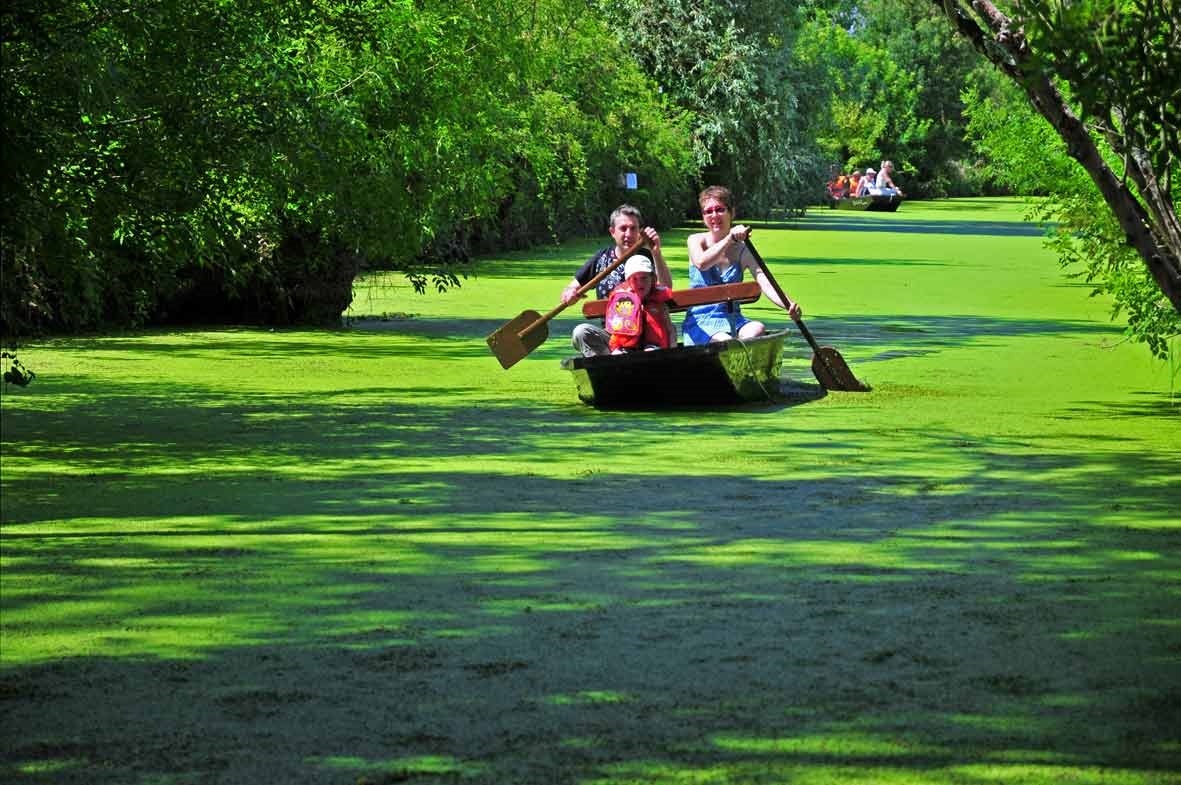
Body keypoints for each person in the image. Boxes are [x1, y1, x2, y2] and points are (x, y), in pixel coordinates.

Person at [681, 186, 802, 346]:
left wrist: (789, 305)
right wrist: (729, 239)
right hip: (701, 322)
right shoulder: (696, 240)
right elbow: (702, 263)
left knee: (757, 328)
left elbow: (765, 282)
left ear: (731, 213)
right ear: (703, 217)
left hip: (733, 319)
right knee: (726, 341)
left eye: (720, 209)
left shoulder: (743, 251)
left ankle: (740, 358)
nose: (714, 215)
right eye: (708, 211)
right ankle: (736, 354)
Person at [560, 204, 671, 357]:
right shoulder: (601, 259)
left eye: (633, 228)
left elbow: (666, 288)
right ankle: (607, 371)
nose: (628, 234)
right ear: (612, 232)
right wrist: (570, 294)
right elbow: (570, 290)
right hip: (616, 339)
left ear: (640, 231)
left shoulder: (649, 256)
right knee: (581, 332)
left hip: (649, 339)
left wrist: (657, 253)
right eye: (623, 228)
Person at [605, 255, 675, 353]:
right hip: (626, 347)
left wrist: (672, 351)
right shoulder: (622, 299)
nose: (640, 283)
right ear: (628, 281)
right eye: (634, 279)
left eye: (644, 278)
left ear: (652, 279)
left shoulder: (659, 300)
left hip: (654, 347)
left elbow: (670, 328)